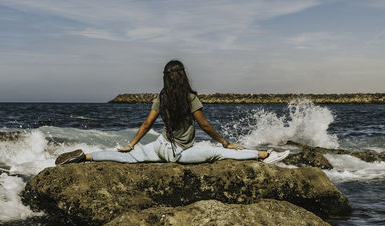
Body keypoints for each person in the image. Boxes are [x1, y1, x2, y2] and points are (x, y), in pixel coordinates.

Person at [55, 60, 289, 165]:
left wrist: (132, 144)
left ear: (166, 78)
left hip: (160, 147)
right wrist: (225, 142)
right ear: (183, 76)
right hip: (181, 155)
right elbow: (206, 126)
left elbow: (147, 124)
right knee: (219, 154)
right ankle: (263, 156)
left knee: (127, 157)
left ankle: (85, 157)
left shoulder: (162, 96)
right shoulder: (190, 98)